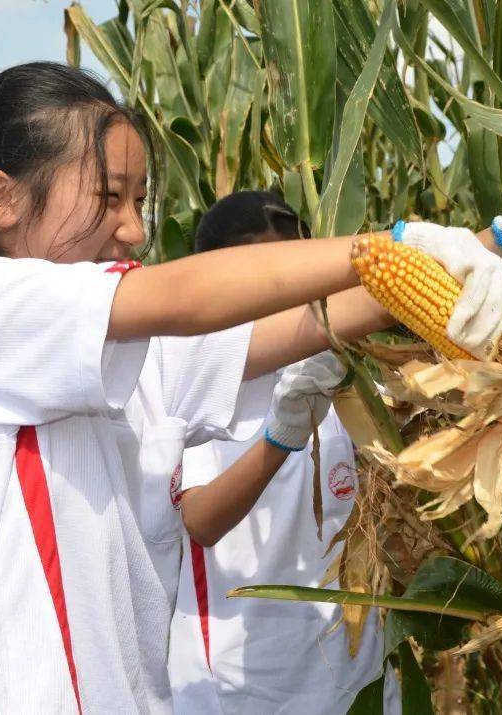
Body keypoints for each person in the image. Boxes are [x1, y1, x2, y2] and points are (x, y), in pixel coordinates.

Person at [0, 62, 502, 714]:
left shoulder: (136, 358)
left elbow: (313, 321)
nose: (134, 229)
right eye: (108, 197)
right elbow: (185, 294)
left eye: (140, 201)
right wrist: (390, 243)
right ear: (1, 197)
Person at [169, 193, 399, 713]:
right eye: (273, 274)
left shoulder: (344, 372)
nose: (296, 291)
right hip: (239, 689)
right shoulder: (193, 387)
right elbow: (199, 521)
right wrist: (280, 438)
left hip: (354, 678)